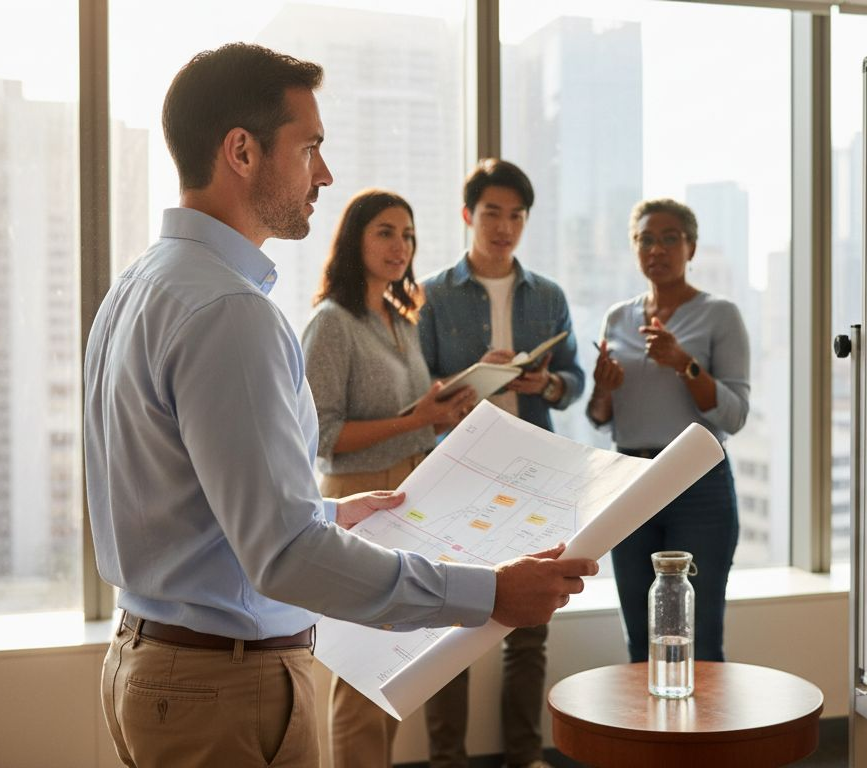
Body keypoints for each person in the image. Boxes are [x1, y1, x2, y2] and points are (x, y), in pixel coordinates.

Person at [84, 44, 596, 768]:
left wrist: (327, 514)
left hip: (151, 663)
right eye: (310, 147)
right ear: (241, 151)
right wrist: (489, 594)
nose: (324, 173)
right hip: (221, 689)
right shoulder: (231, 312)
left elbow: (189, 510)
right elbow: (284, 557)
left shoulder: (138, 285)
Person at [417, 159, 584, 768]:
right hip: (458, 472)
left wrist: (548, 382)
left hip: (535, 470)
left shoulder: (550, 295)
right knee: (449, 624)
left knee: (531, 627)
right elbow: (419, 387)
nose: (504, 226)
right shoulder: (433, 294)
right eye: (492, 213)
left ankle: (522, 755)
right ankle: (446, 760)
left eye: (516, 216)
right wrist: (467, 379)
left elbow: (575, 381)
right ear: (468, 216)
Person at [302, 189, 476, 768]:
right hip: (355, 501)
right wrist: (415, 419)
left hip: (410, 493)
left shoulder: (400, 319)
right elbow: (322, 436)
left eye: (407, 233)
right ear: (355, 238)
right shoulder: (331, 323)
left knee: (394, 670)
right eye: (384, 231)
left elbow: (409, 418)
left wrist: (440, 413)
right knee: (358, 677)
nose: (399, 245)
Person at [586, 198, 749, 664]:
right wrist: (603, 388)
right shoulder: (619, 317)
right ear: (635, 248)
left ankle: (703, 738)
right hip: (629, 478)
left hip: (697, 483)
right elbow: (601, 416)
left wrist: (685, 364)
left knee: (698, 637)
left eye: (669, 238)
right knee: (641, 635)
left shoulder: (720, 314)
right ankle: (650, 737)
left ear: (691, 246)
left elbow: (734, 415)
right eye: (645, 239)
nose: (656, 249)